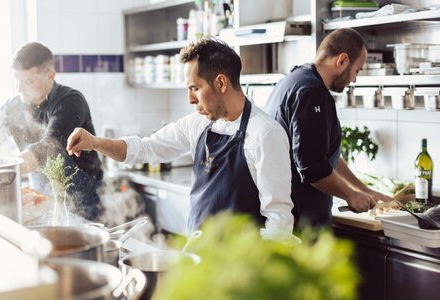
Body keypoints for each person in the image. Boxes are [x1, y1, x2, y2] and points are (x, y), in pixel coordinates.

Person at [67, 37, 297, 241]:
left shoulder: (265, 134)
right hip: (198, 258)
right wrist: (95, 143)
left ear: (221, 83)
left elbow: (278, 220)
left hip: (239, 268)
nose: (190, 99)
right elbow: (145, 149)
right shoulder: (198, 124)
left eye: (195, 88)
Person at [264, 28, 394, 228]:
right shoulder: (311, 92)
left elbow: (324, 157)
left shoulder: (294, 80)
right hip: (301, 220)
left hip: (292, 214)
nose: (354, 80)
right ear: (342, 60)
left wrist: (364, 191)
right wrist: (351, 195)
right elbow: (313, 168)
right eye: (357, 70)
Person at [0, 42, 103, 221]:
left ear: (50, 75)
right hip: (41, 203)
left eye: (28, 81)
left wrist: (2, 175)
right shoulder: (13, 107)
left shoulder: (71, 101)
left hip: (83, 205)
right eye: (16, 80)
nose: (19, 88)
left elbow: (50, 148)